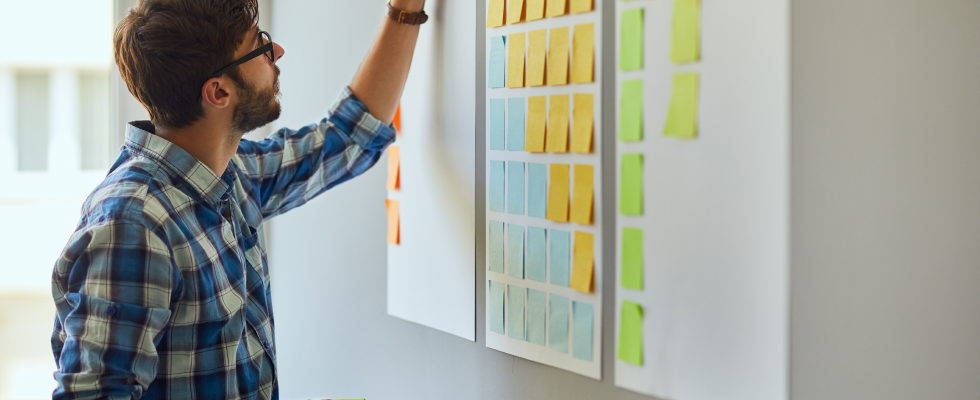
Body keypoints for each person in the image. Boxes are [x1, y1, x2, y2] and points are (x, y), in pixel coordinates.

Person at [49, 0, 426, 398]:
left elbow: (349, 134)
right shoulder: (133, 225)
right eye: (260, 45)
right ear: (219, 91)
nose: (276, 51)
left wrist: (405, 9)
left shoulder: (230, 173)